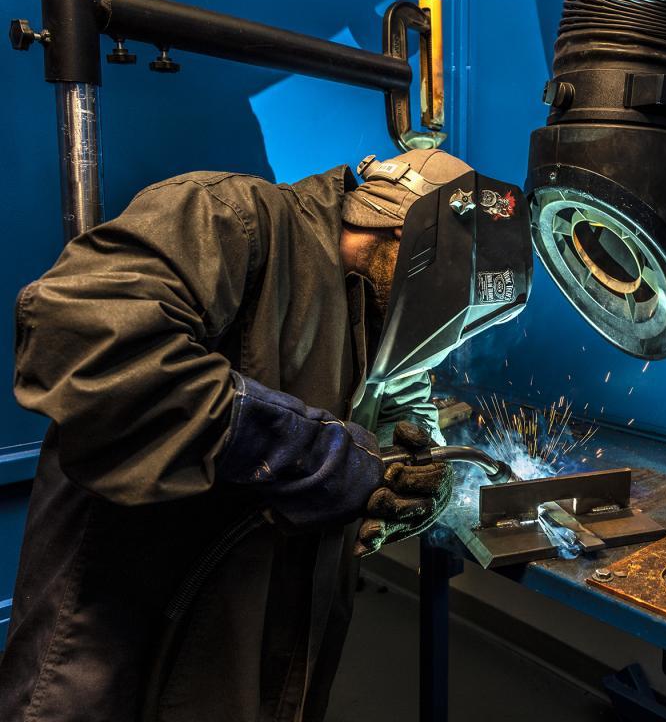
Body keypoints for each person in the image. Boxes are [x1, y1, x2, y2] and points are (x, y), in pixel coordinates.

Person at [0, 148, 473, 722]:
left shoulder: (380, 306)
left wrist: (415, 481)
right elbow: (85, 344)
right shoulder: (227, 214)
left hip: (270, 637)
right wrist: (316, 454)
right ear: (407, 236)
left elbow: (401, 405)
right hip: (125, 623)